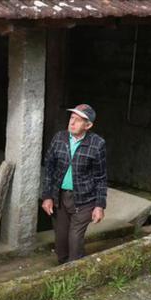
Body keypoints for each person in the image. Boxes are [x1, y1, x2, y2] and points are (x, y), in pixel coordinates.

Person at [41, 104, 108, 264]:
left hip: (85, 200)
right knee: (61, 243)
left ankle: (74, 272)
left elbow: (101, 176)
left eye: (78, 120)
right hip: (60, 198)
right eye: (72, 118)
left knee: (75, 239)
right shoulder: (59, 138)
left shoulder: (97, 144)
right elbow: (49, 169)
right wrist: (47, 196)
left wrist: (99, 206)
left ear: (88, 125)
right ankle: (66, 266)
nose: (72, 123)